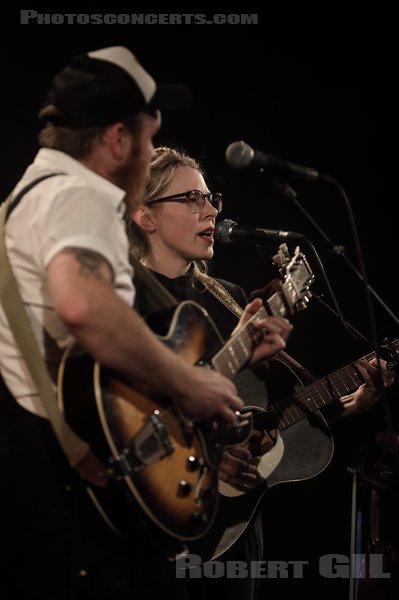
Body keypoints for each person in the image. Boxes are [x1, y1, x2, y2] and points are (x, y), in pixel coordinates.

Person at [0, 47, 292, 600]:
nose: (153, 151)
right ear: (117, 138)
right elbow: (83, 304)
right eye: (150, 137)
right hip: (56, 488)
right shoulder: (80, 192)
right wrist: (187, 383)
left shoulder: (35, 194)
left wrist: (224, 358)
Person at [127, 145, 396, 599]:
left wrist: (352, 405)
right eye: (191, 199)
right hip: (154, 525)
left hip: (233, 533)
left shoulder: (230, 298)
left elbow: (268, 421)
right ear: (145, 216)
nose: (211, 208)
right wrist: (209, 456)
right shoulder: (123, 301)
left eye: (212, 197)